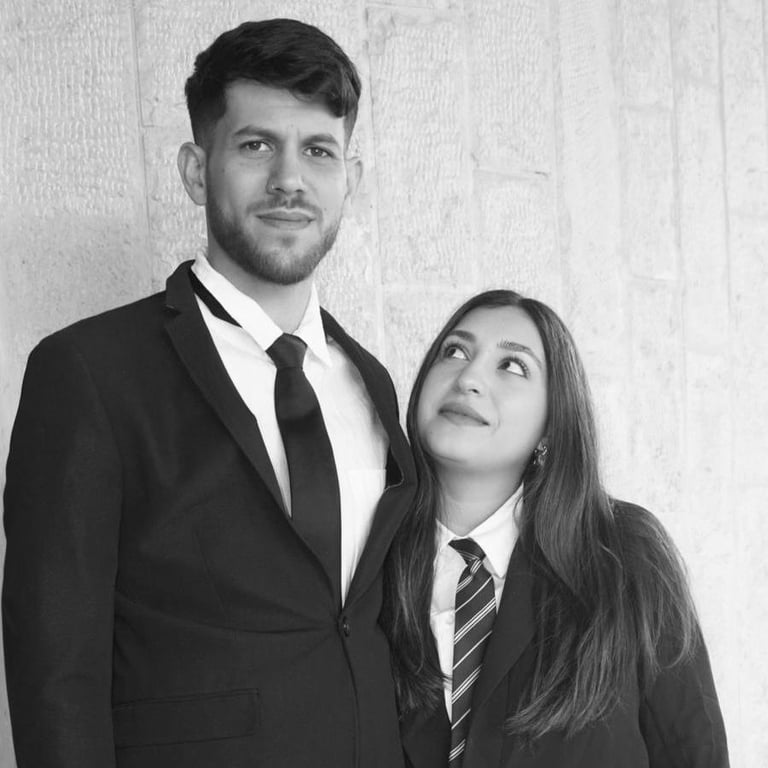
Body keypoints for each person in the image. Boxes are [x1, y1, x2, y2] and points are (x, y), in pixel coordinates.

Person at [3, 19, 415, 768]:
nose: (289, 180)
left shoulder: (372, 383)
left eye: (318, 151)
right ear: (197, 171)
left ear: (349, 179)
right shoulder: (89, 371)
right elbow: (55, 669)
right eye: (256, 145)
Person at [382, 290, 729, 767]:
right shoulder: (369, 563)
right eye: (455, 351)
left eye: (512, 365)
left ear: (551, 423)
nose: (469, 378)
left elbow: (694, 753)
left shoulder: (624, 555)